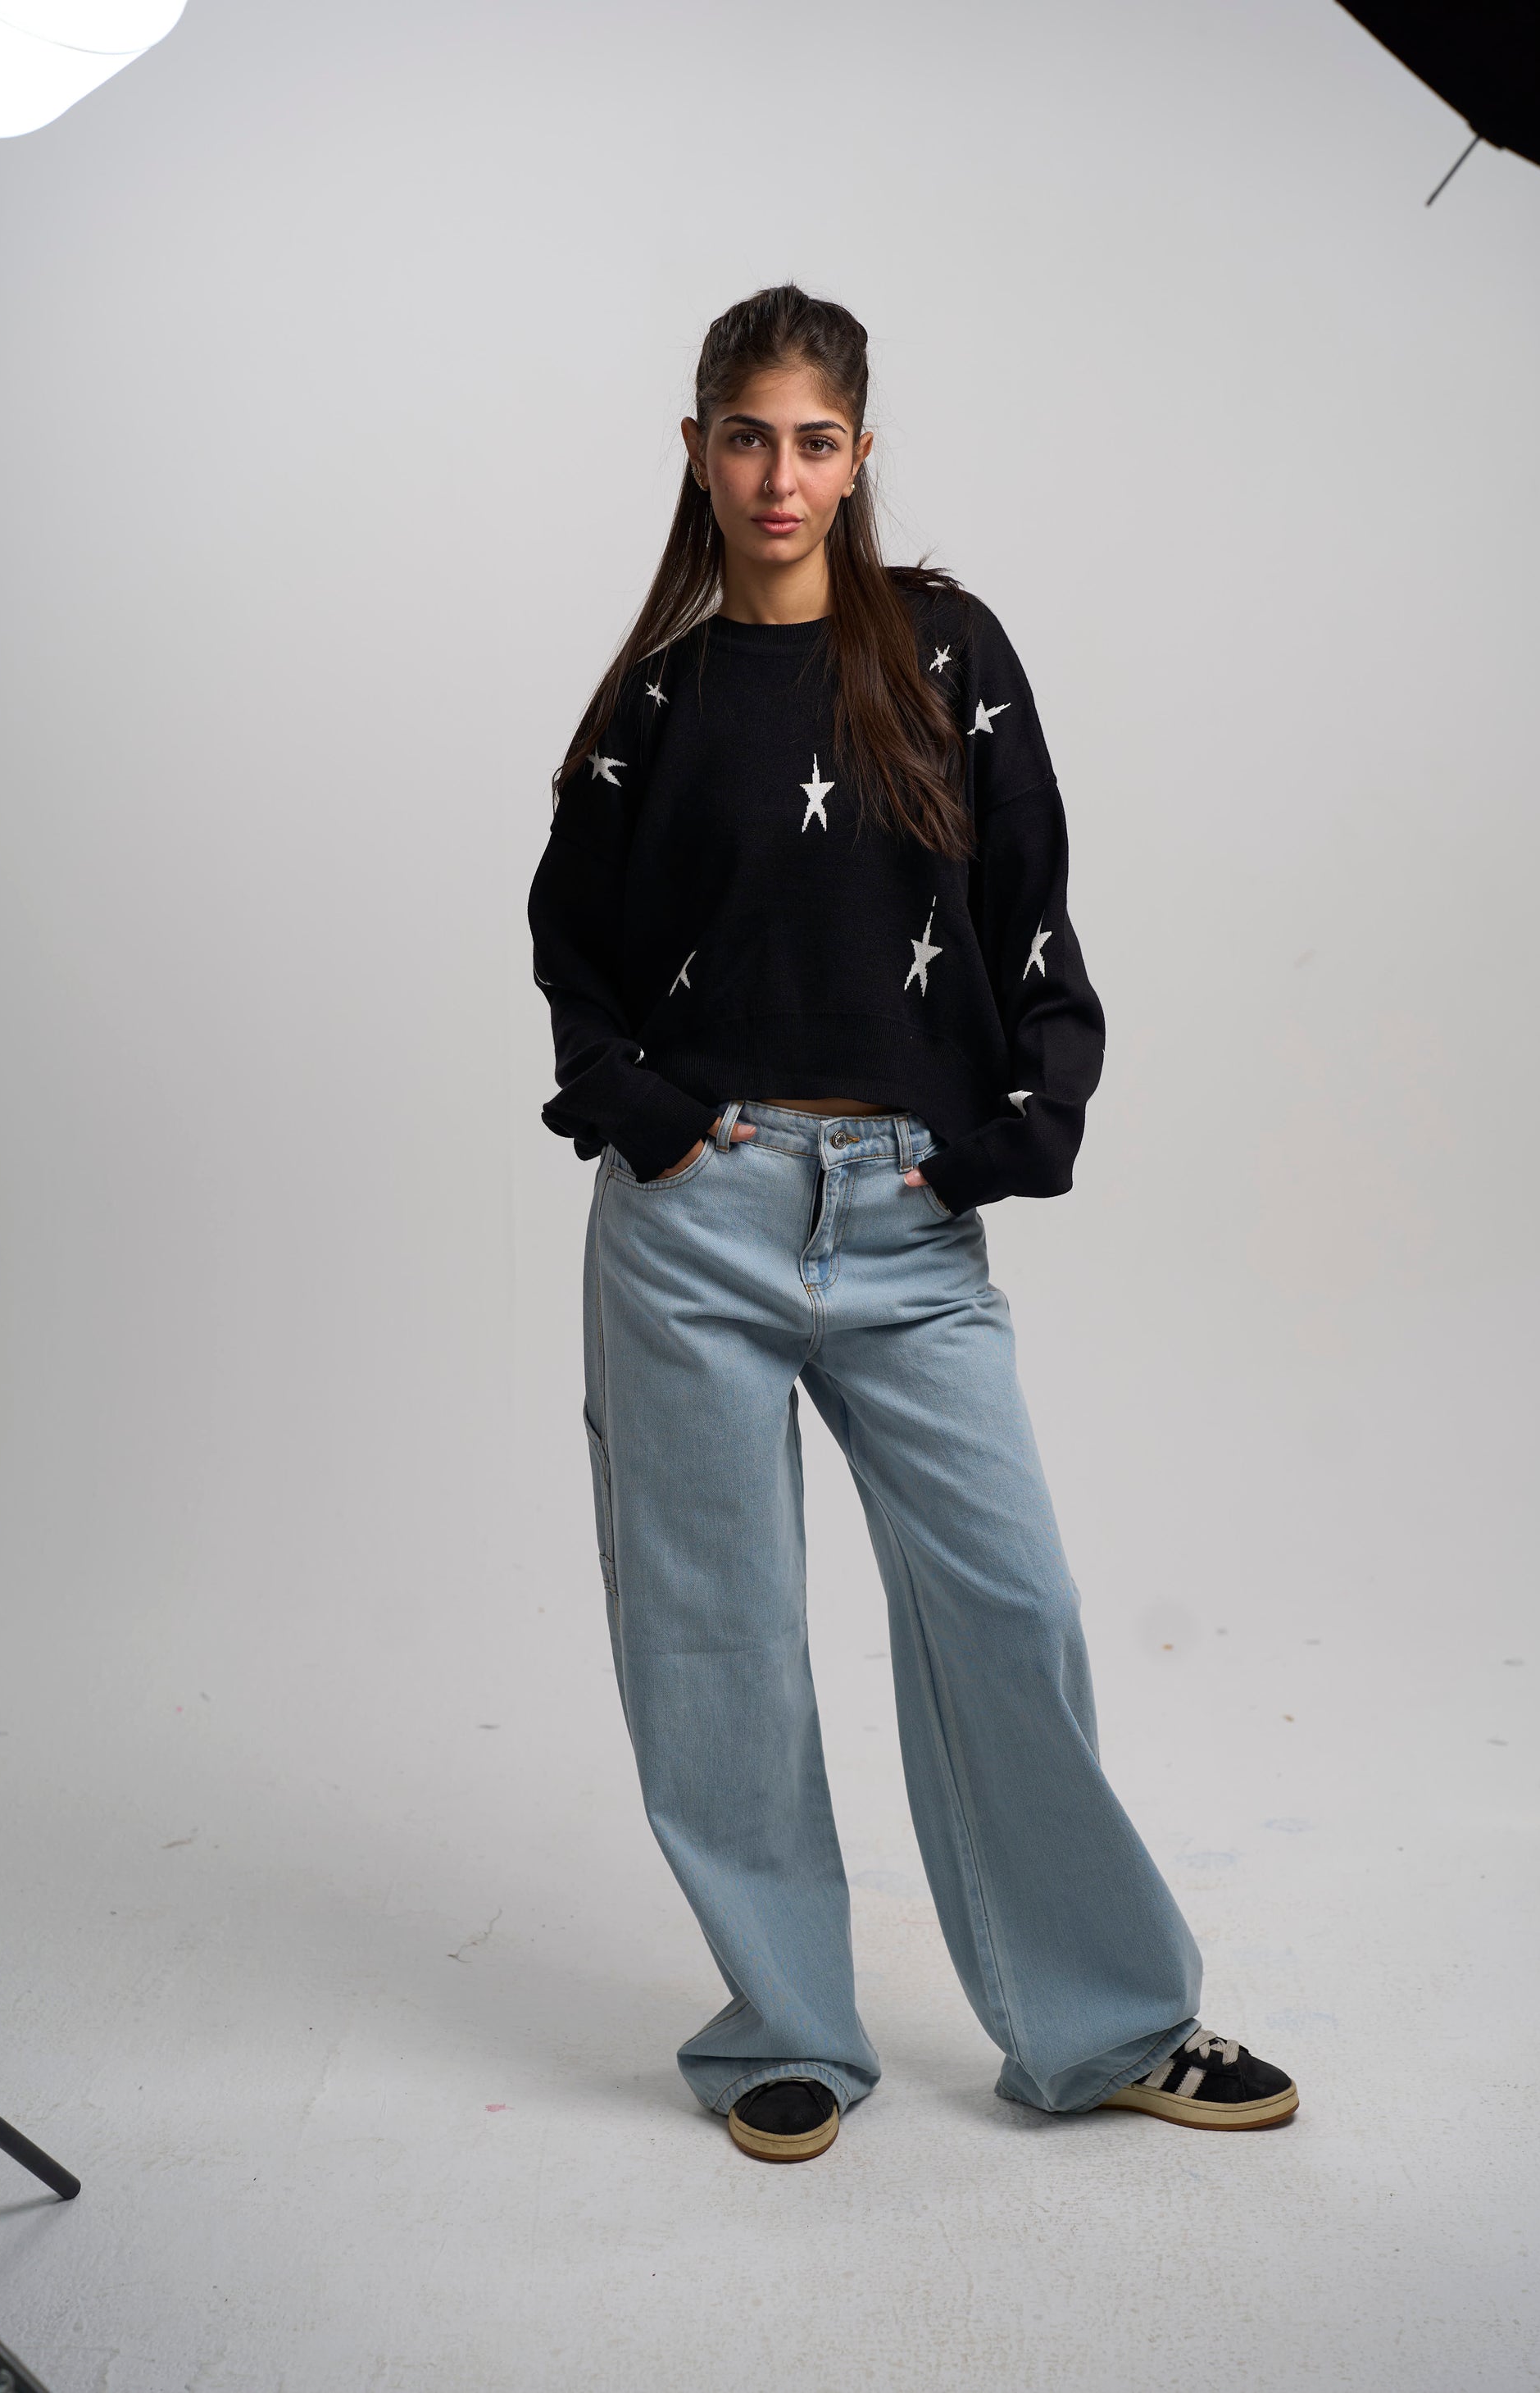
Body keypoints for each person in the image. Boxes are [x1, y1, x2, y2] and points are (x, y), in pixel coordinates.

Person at [527, 283, 1297, 2164]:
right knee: (716, 1643)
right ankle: (784, 2027)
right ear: (696, 450)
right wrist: (650, 1121)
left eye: (813, 441)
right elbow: (572, 939)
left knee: (1010, 1603)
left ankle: (1106, 2021)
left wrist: (1012, 1131)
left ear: (862, 453)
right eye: (744, 437)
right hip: (695, 1230)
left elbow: (1033, 899)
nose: (777, 476)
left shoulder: (947, 649)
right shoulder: (657, 699)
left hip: (903, 1221)